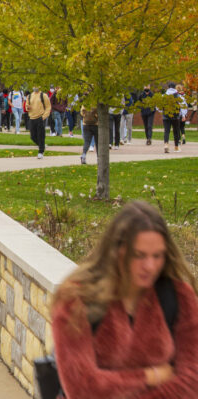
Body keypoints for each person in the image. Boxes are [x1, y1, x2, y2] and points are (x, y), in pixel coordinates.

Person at [51, 201, 198, 398]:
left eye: (158, 256)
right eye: (140, 255)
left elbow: (191, 382)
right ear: (117, 251)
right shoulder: (76, 300)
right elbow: (83, 388)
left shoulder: (179, 296)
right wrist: (149, 376)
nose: (150, 266)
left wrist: (111, 385)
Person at [27, 86, 52, 158]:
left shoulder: (43, 95)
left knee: (40, 135)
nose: (35, 87)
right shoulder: (30, 96)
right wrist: (27, 107)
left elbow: (48, 107)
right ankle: (42, 145)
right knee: (33, 136)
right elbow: (27, 105)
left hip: (40, 117)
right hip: (32, 117)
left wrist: (44, 116)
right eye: (34, 86)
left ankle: (41, 151)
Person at [164, 83, 185, 153]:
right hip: (175, 116)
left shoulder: (164, 95)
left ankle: (166, 144)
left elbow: (158, 107)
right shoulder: (178, 96)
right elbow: (183, 105)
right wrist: (183, 115)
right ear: (174, 88)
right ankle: (176, 147)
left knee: (166, 131)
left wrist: (163, 111)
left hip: (166, 116)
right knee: (176, 131)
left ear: (168, 87)